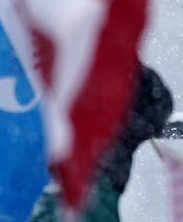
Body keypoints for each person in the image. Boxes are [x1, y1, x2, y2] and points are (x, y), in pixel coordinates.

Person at [28, 63, 173, 222]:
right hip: (99, 180)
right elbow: (157, 107)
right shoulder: (116, 63)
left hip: (42, 182)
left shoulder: (39, 57)